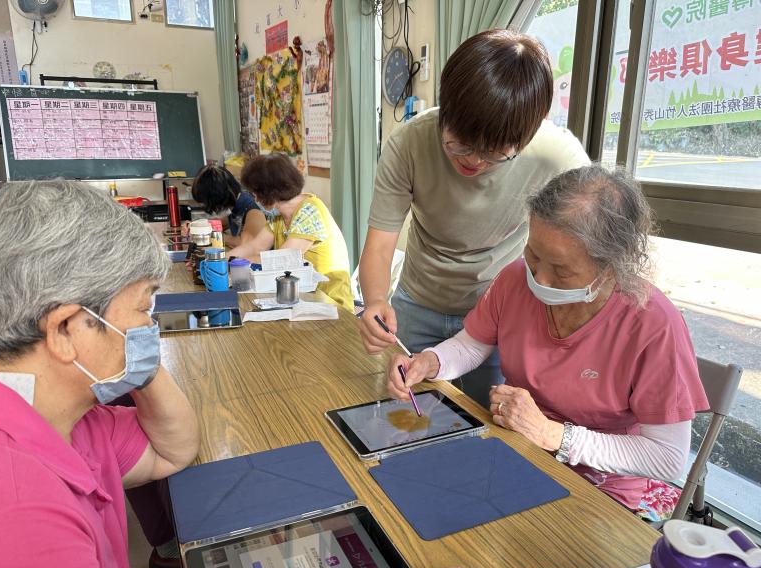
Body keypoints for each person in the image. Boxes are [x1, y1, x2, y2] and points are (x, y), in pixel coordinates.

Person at [387, 166, 709, 520]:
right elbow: (470, 345)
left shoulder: (653, 324)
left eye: (561, 270)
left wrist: (552, 434)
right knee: (415, 503)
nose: (538, 278)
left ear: (612, 267)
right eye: (533, 255)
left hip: (601, 489)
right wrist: (429, 361)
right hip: (515, 451)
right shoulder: (514, 280)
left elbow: (666, 457)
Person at [0, 181, 200, 568]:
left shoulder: (68, 415)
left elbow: (173, 450)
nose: (150, 328)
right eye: (145, 308)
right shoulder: (16, 517)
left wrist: (137, 362)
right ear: (67, 329)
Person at [358, 29, 590, 406]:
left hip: (498, 315)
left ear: (530, 133)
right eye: (459, 144)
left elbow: (591, 244)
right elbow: (380, 245)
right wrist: (373, 303)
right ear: (444, 108)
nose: (474, 161)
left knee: (485, 426)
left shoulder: (557, 157)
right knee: (399, 416)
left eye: (495, 153)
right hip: (417, 304)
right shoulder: (408, 144)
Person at [229, 153, 355, 311]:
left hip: (331, 303)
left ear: (269, 194)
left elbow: (281, 260)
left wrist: (236, 263)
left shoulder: (310, 212)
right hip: (302, 299)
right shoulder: (280, 218)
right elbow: (255, 247)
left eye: (256, 194)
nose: (255, 200)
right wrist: (221, 260)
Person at [190, 163, 268, 247]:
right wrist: (195, 227)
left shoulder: (253, 210)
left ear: (217, 197)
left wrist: (213, 236)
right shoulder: (235, 204)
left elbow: (248, 244)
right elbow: (220, 223)